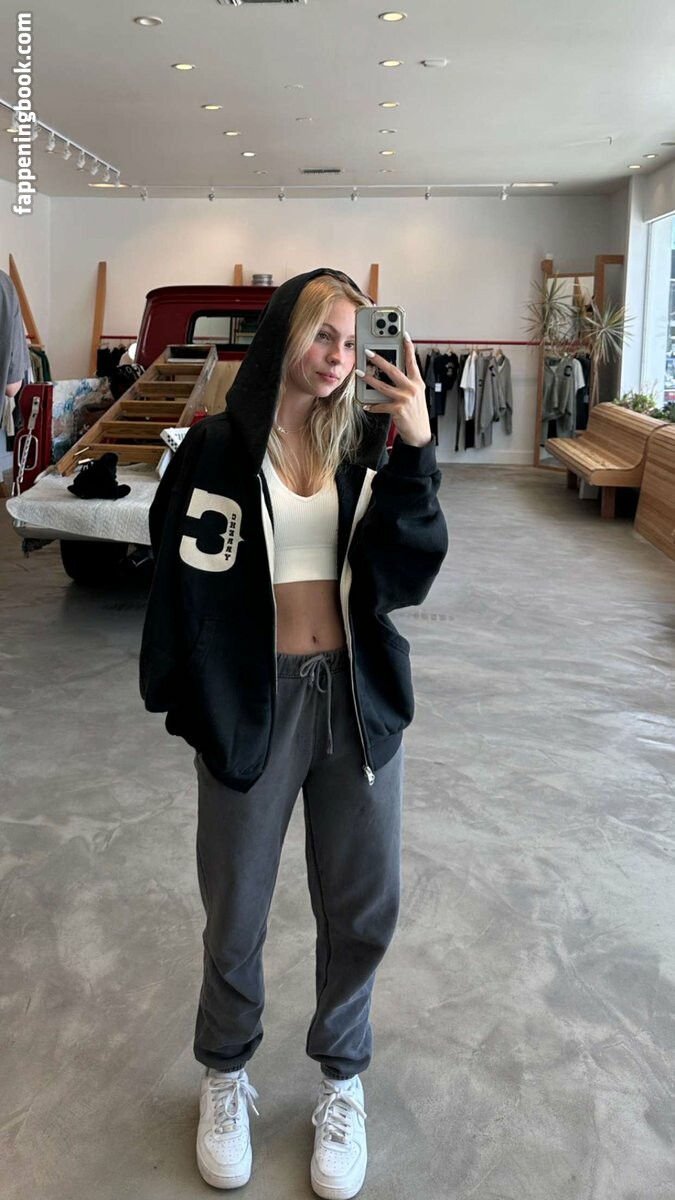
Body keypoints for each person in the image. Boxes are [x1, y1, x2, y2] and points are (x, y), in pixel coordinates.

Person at [140, 267, 448, 1198]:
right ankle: (224, 1071)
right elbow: (176, 577)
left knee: (362, 906)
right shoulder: (215, 447)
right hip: (252, 699)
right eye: (323, 335)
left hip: (354, 700)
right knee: (235, 904)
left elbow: (407, 576)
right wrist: (192, 696)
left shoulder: (363, 446)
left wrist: (416, 449)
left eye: (352, 343)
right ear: (284, 332)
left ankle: (341, 1081)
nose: (338, 358)